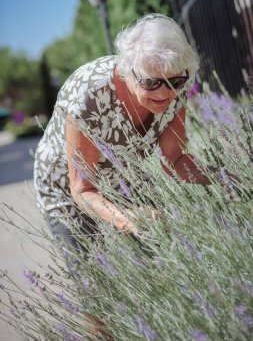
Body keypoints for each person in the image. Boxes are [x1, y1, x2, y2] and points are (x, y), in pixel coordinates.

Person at [34, 13, 209, 256]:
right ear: (129, 71)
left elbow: (175, 158)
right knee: (95, 276)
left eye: (175, 82)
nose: (165, 93)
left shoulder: (177, 84)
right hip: (66, 188)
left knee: (166, 254)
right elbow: (82, 190)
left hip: (123, 178)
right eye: (150, 83)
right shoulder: (89, 97)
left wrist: (220, 177)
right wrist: (129, 220)